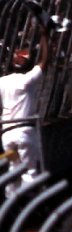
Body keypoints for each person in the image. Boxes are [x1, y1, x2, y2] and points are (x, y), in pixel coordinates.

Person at [0, 26, 49, 198]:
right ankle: (31, 204)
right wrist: (45, 36)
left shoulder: (2, 81)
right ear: (28, 66)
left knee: (13, 169)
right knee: (30, 172)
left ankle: (10, 203)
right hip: (25, 133)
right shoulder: (27, 81)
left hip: (6, 134)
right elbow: (45, 61)